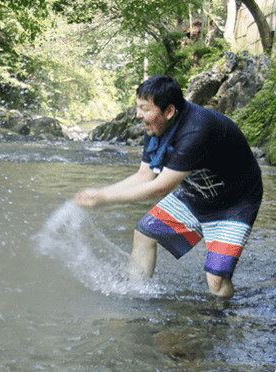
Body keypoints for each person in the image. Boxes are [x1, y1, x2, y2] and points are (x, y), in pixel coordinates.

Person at [74, 75, 263, 298]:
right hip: (195, 196)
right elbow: (144, 175)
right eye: (138, 107)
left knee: (217, 282)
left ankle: (220, 327)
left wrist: (103, 199)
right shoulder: (156, 128)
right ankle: (137, 295)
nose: (138, 115)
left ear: (169, 111)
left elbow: (160, 187)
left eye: (145, 108)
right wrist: (101, 193)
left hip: (235, 206)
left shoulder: (197, 131)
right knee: (145, 234)